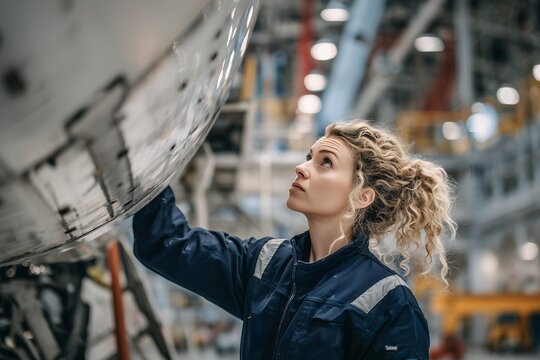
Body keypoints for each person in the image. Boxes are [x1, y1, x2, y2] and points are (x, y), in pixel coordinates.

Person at [132, 120, 456, 359]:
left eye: (325, 163)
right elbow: (166, 243)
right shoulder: (265, 265)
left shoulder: (387, 303)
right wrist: (150, 158)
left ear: (362, 196)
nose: (301, 168)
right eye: (308, 156)